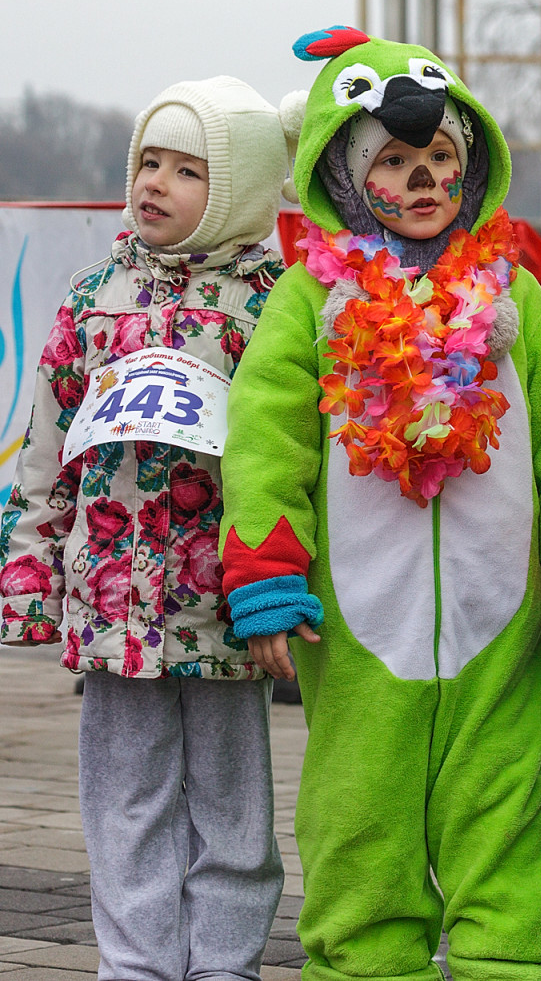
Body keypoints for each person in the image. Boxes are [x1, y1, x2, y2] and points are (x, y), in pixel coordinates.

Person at [218, 27, 541, 981]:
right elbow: (267, 440)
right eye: (395, 160)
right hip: (356, 619)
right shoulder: (309, 301)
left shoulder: (513, 294)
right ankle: (365, 964)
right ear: (349, 178)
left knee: (504, 804)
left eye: (439, 158)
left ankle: (514, 961)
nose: (424, 178)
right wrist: (264, 571)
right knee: (359, 809)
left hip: (496, 614)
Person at [0, 77, 293, 978]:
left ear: (242, 188)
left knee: (232, 803)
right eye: (149, 164)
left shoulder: (277, 306)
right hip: (111, 599)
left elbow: (299, 454)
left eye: (188, 170)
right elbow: (47, 446)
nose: (155, 184)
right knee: (125, 800)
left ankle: (224, 963)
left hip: (224, 600)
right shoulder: (93, 296)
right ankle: (136, 964)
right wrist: (28, 567)